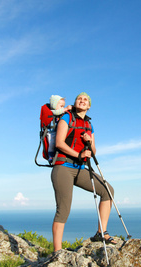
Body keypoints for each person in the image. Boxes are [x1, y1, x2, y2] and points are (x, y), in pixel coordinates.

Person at [51, 92, 116, 252]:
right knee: (63, 210)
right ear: (75, 103)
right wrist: (79, 154)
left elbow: (93, 151)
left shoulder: (89, 124)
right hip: (63, 168)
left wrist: (89, 141)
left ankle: (102, 232)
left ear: (89, 106)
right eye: (80, 98)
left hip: (80, 169)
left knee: (108, 190)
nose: (82, 100)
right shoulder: (66, 118)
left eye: (85, 100)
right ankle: (57, 252)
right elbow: (59, 143)